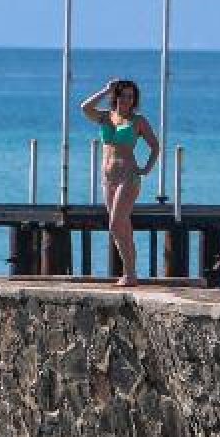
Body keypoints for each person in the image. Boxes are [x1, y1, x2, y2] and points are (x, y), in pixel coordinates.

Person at [80, 79, 160, 287]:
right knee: (123, 227)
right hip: (108, 179)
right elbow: (84, 108)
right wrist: (105, 89)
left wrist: (147, 167)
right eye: (123, 95)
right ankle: (130, 273)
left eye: (131, 97)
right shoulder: (105, 117)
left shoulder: (138, 120)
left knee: (115, 224)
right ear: (115, 97)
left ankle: (131, 274)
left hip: (128, 176)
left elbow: (155, 145)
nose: (127, 100)